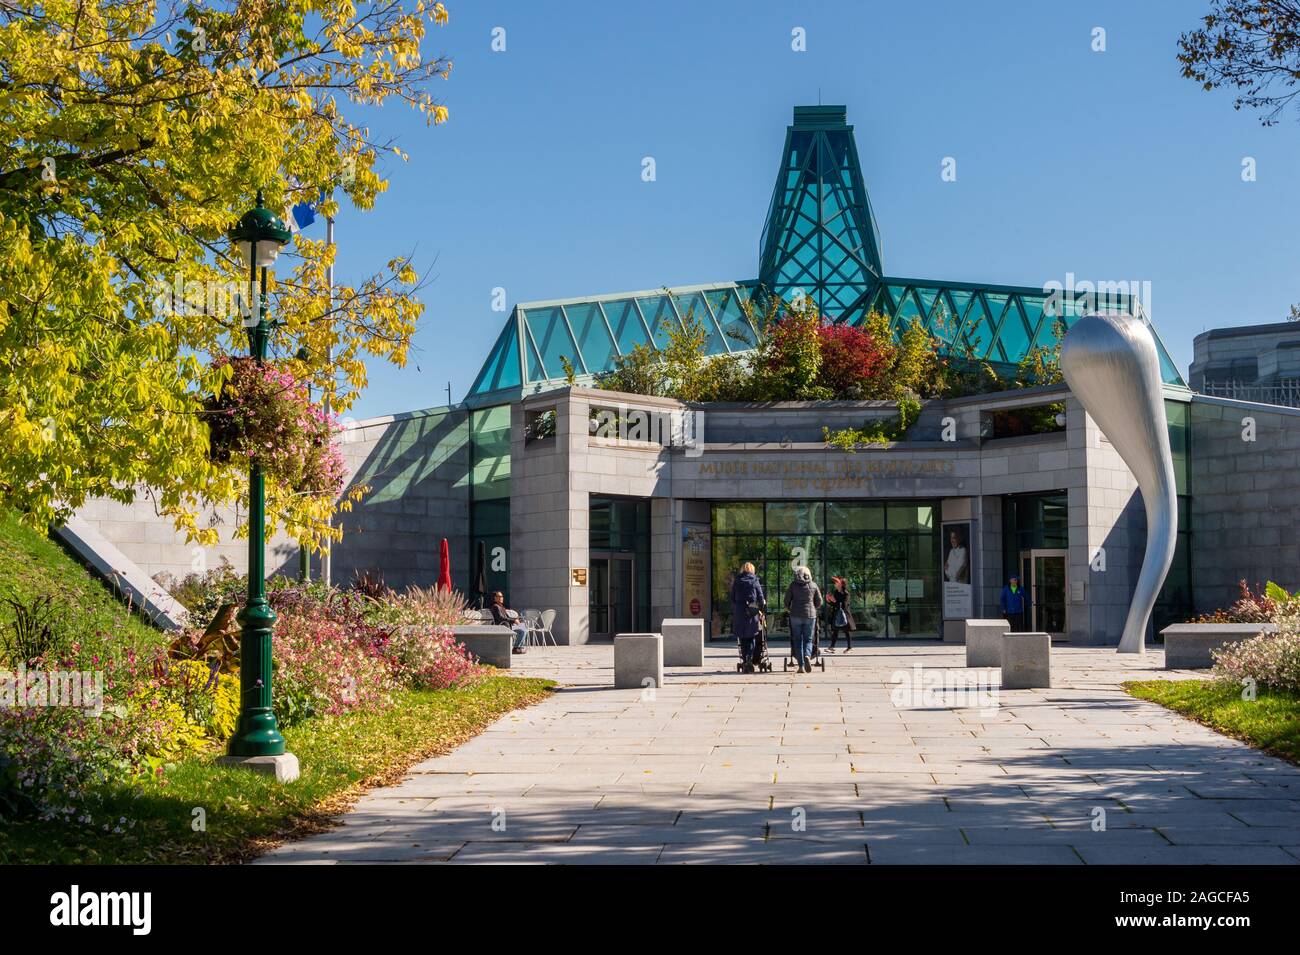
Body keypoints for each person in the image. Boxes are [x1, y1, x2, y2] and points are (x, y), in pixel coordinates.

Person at [784, 565, 823, 673]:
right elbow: (819, 602)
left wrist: (788, 607)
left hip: (795, 615)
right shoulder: (814, 585)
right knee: (809, 639)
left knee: (797, 640)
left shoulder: (793, 585)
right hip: (810, 616)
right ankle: (807, 655)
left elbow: (786, 600)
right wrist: (814, 607)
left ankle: (801, 666)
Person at [729, 562, 766, 672]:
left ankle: (745, 660)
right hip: (752, 609)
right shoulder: (754, 580)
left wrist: (736, 606)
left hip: (739, 610)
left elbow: (732, 597)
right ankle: (749, 658)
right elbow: (760, 596)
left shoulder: (737, 581)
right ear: (752, 570)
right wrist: (762, 607)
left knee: (742, 637)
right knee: (751, 635)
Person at [825, 575, 856, 652]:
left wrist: (834, 601)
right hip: (837, 614)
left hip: (844, 615)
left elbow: (844, 605)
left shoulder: (846, 593)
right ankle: (832, 647)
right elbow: (835, 604)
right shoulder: (836, 592)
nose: (835, 584)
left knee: (847, 631)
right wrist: (829, 601)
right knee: (835, 631)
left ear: (840, 584)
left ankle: (850, 647)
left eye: (836, 583)